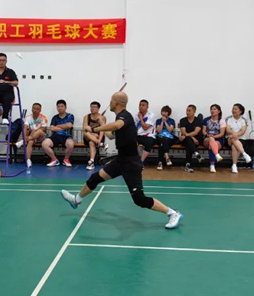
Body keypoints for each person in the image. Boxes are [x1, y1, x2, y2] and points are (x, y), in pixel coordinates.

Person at [60, 92, 183, 229]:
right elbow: (111, 135)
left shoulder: (125, 116)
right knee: (95, 178)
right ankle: (76, 200)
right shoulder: (120, 118)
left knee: (139, 199)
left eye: (111, 100)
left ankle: (172, 213)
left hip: (131, 163)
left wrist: (94, 128)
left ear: (116, 102)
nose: (110, 102)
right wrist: (102, 123)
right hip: (121, 160)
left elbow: (117, 125)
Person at [41, 99, 75, 167]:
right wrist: (64, 127)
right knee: (44, 144)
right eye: (58, 106)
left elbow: (69, 125)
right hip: (55, 136)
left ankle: (66, 159)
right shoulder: (55, 117)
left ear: (65, 107)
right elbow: (52, 128)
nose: (60, 108)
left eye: (62, 106)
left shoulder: (70, 116)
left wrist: (57, 126)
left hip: (66, 136)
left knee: (71, 144)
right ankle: (54, 159)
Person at [16, 103, 48, 168]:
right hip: (32, 137)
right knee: (30, 142)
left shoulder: (43, 117)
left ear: (40, 110)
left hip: (41, 136)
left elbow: (43, 128)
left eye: (37, 109)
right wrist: (25, 135)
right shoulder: (28, 117)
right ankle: (28, 160)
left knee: (39, 131)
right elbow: (25, 127)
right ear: (32, 109)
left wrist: (34, 131)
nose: (35, 110)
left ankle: (24, 141)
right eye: (34, 108)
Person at [226, 103, 252, 174]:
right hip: (229, 139)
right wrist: (234, 135)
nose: (233, 110)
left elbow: (243, 131)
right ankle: (244, 154)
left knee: (234, 146)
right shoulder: (228, 119)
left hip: (240, 139)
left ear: (240, 111)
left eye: (235, 109)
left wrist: (235, 135)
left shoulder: (244, 120)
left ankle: (234, 165)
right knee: (233, 140)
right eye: (233, 109)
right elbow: (228, 130)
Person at [178, 104, 204, 173]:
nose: (187, 112)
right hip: (186, 140)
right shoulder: (183, 120)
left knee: (189, 143)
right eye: (187, 110)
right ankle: (196, 154)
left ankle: (188, 165)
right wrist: (192, 138)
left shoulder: (198, 120)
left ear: (194, 111)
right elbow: (183, 132)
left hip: (196, 140)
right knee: (188, 141)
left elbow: (196, 132)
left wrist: (191, 137)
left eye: (189, 111)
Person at [83, 101, 107, 170]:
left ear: (98, 108)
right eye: (91, 107)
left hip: (98, 137)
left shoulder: (102, 117)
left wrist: (99, 139)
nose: (92, 108)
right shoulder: (86, 117)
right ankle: (101, 144)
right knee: (86, 133)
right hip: (88, 136)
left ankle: (91, 162)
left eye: (94, 107)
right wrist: (93, 133)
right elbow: (85, 128)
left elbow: (103, 129)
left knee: (91, 142)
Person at [203, 104, 226, 173]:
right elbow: (203, 131)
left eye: (214, 109)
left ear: (219, 111)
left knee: (212, 144)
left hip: (218, 139)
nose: (212, 110)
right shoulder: (206, 120)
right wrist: (207, 135)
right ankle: (216, 155)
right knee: (211, 140)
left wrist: (213, 137)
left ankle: (212, 164)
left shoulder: (221, 121)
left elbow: (222, 133)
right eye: (211, 109)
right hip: (207, 139)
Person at [134, 99, 156, 165]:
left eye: (143, 105)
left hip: (149, 136)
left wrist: (141, 118)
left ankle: (141, 161)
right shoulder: (136, 116)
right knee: (129, 141)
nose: (141, 107)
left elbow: (145, 127)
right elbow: (134, 127)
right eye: (140, 105)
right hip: (139, 135)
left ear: (147, 107)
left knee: (149, 143)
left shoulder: (151, 115)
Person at [155, 105, 175, 171]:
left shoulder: (171, 121)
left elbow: (170, 130)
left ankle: (160, 162)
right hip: (160, 137)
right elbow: (159, 131)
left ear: (169, 113)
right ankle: (167, 157)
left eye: (166, 111)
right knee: (162, 140)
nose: (164, 113)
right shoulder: (158, 120)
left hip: (169, 138)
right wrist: (162, 122)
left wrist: (165, 122)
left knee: (162, 144)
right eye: (163, 111)